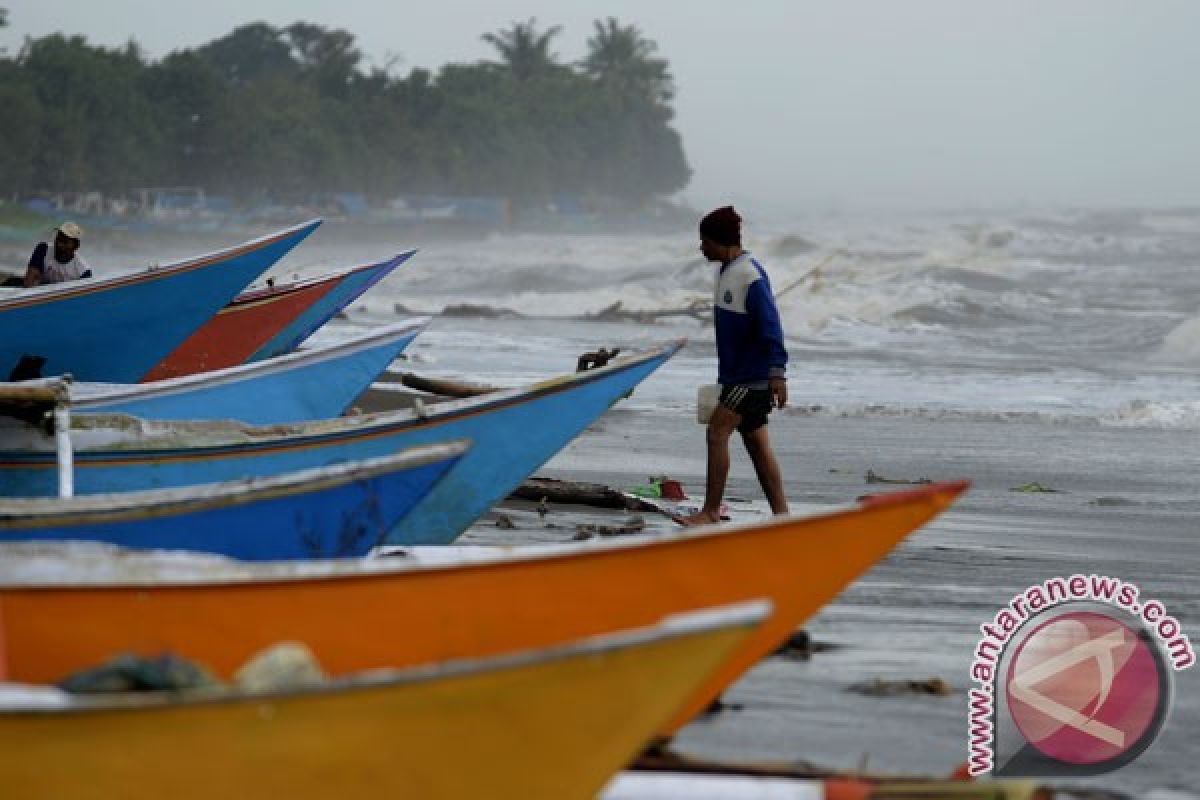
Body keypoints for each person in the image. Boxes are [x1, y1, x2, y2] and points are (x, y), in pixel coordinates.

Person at [676, 206, 790, 526]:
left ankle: (711, 511)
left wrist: (777, 373)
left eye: (705, 242)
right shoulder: (727, 270)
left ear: (722, 242)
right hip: (735, 375)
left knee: (717, 432)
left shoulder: (749, 275)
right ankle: (783, 517)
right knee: (756, 443)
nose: (701, 248)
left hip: (748, 377)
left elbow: (771, 326)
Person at [22, 222, 92, 287]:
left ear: (75, 247)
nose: (59, 244)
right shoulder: (43, 250)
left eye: (65, 241)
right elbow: (29, 282)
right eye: (58, 239)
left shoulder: (84, 272)